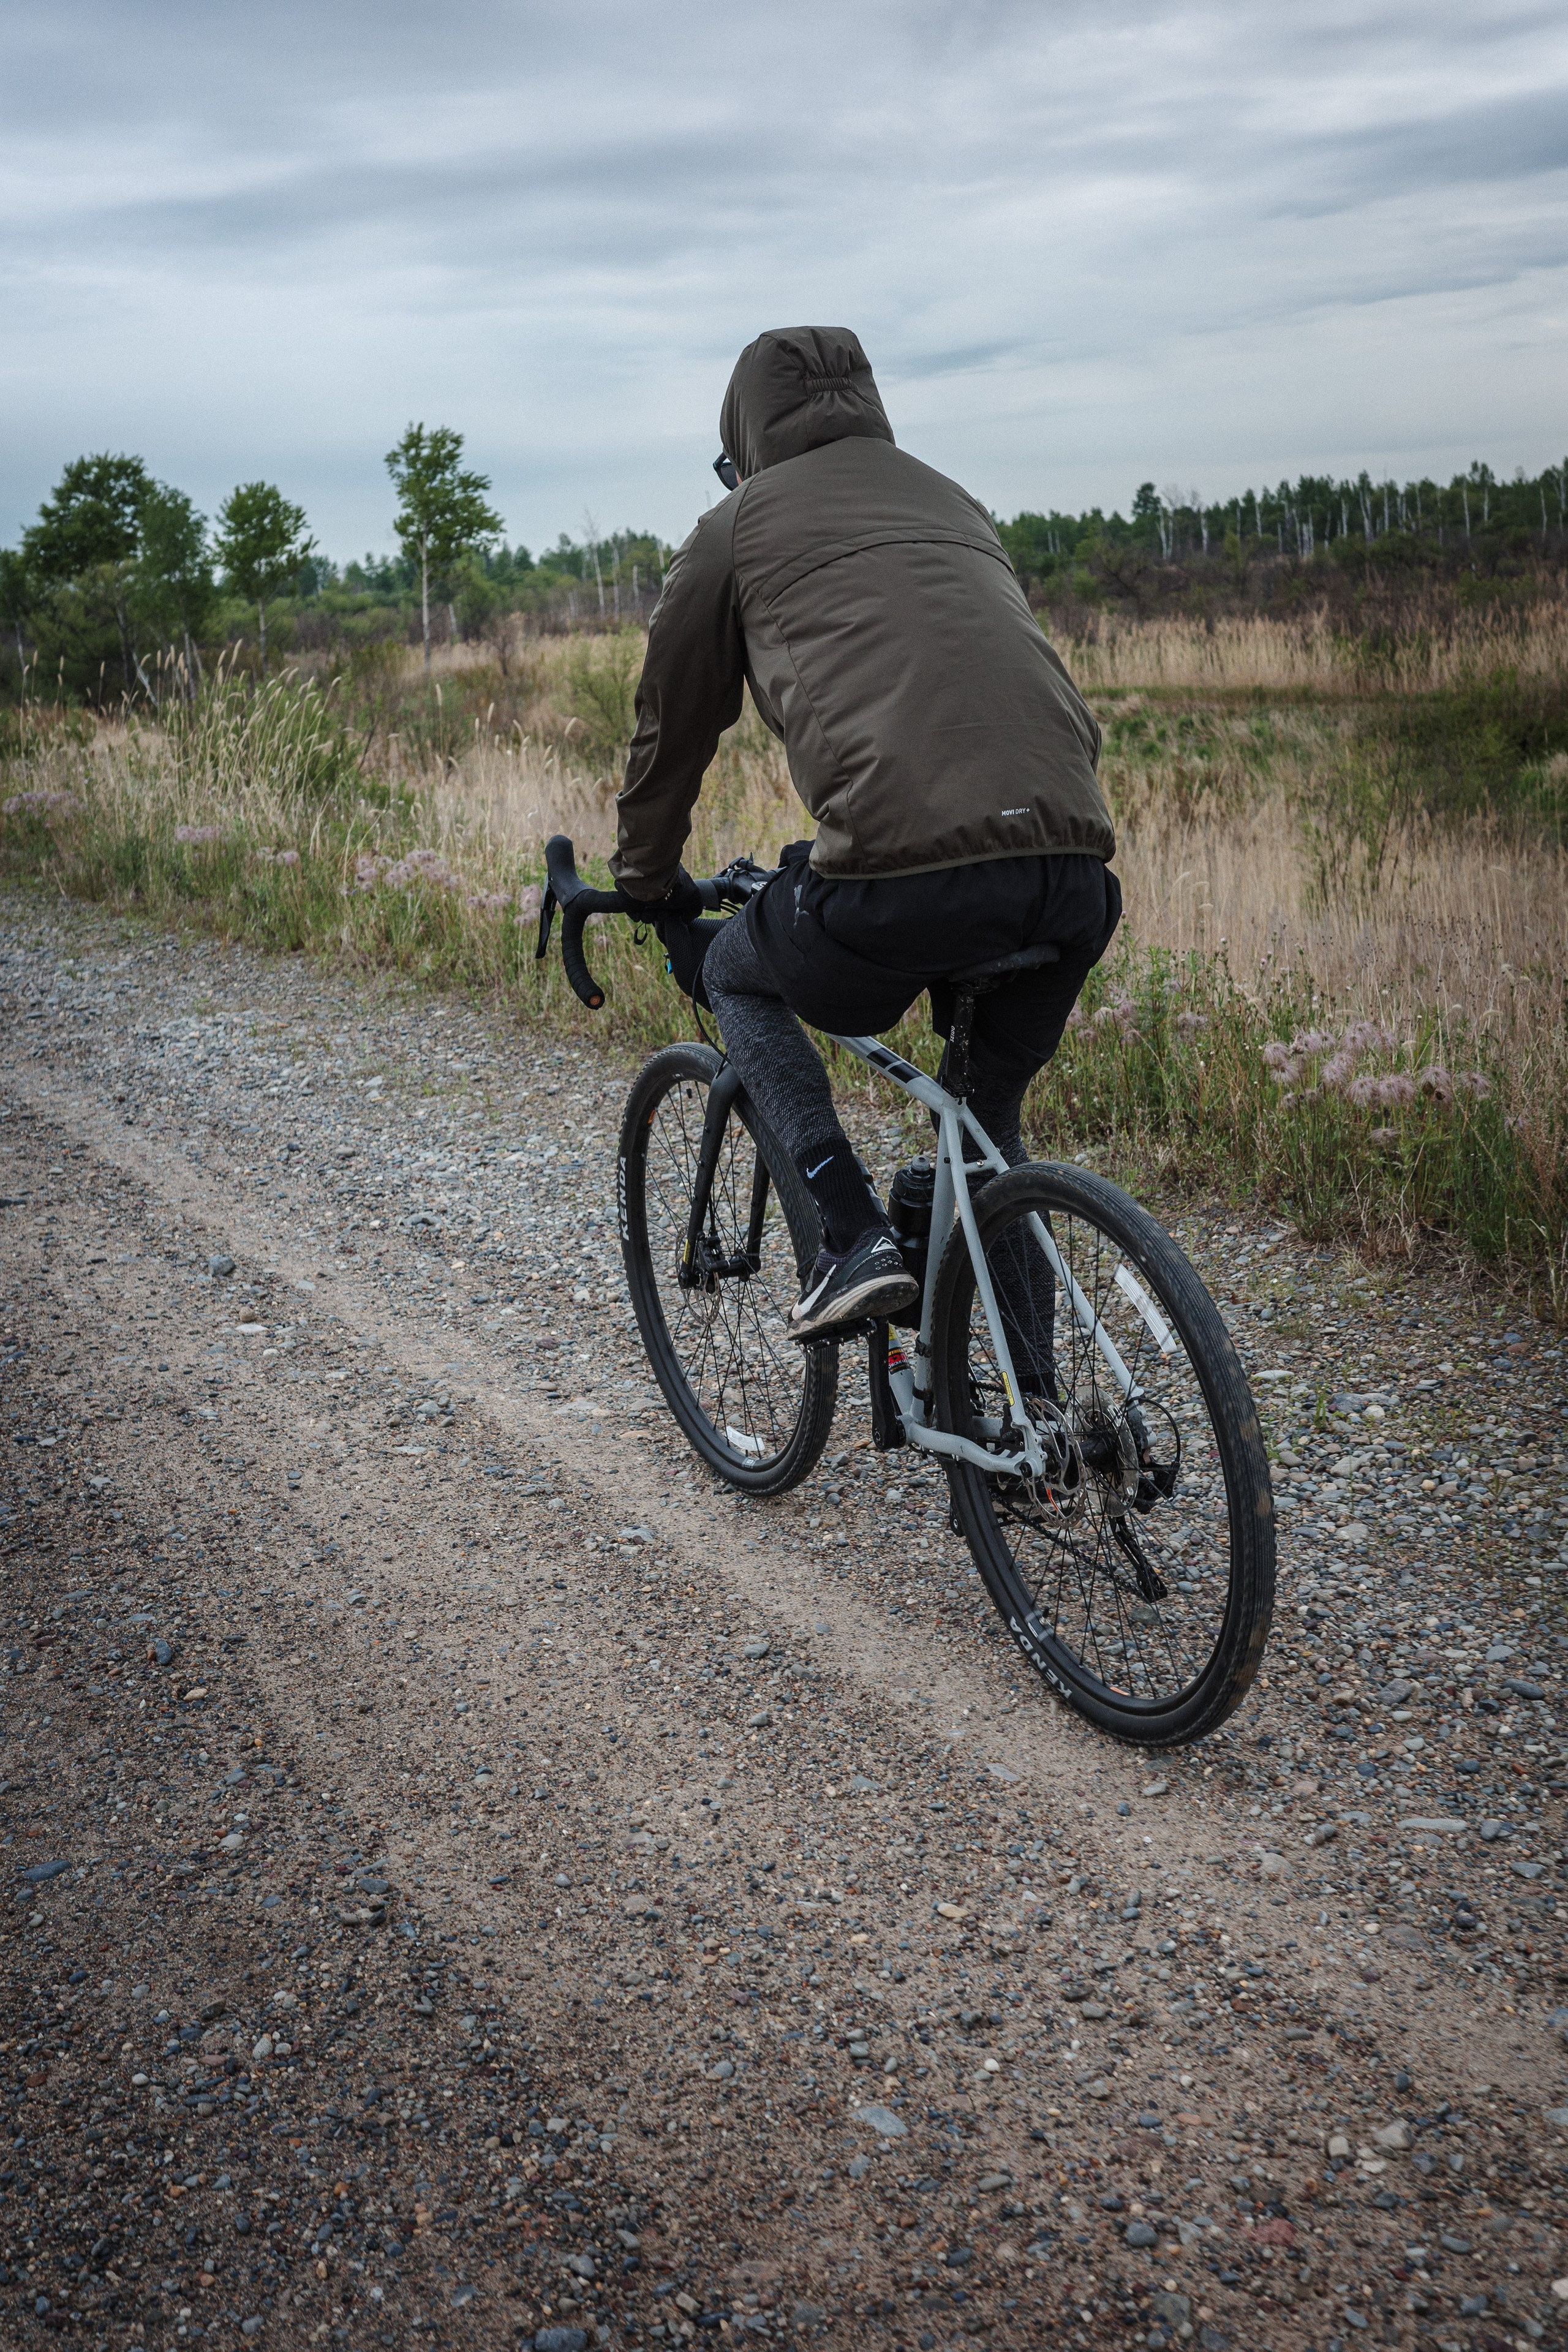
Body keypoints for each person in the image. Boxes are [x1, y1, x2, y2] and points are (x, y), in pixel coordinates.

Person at [611, 325, 1120, 1340]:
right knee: (984, 1129)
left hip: (899, 883)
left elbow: (672, 724)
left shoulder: (737, 524)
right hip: (1073, 877)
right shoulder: (949, 497)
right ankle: (1041, 1442)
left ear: (745, 437)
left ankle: (849, 1236)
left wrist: (645, 879)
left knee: (739, 975)